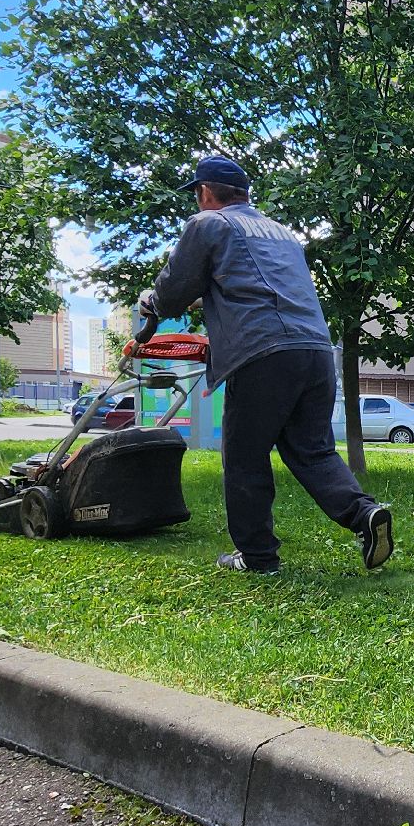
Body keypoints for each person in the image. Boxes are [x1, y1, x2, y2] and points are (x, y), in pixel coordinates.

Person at [139, 155, 392, 574]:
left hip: (263, 353)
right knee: (313, 451)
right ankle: (364, 515)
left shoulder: (209, 225)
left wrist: (153, 302)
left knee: (243, 457)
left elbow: (174, 289)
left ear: (205, 192)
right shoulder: (283, 234)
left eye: (197, 196)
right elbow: (253, 286)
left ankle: (257, 557)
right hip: (314, 351)